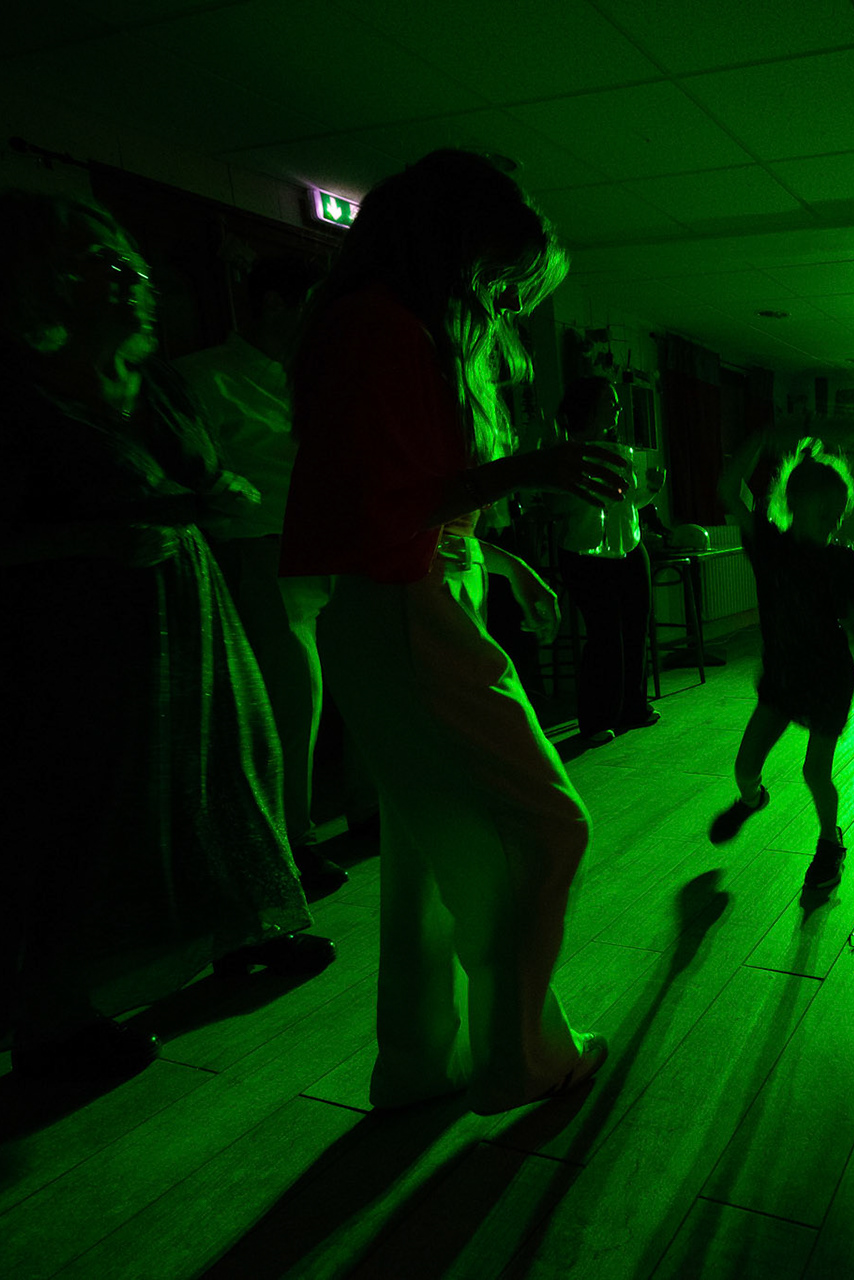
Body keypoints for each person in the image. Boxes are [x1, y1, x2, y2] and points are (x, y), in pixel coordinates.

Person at [0, 192, 333, 1081]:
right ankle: (54, 1020)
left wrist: (220, 495)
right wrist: (89, 538)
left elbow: (203, 480)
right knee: (86, 812)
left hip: (188, 610)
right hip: (74, 635)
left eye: (131, 264)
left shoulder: (152, 382)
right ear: (33, 284)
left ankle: (243, 930)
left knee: (222, 770)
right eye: (102, 266)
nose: (131, 280)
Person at [282, 150, 625, 1114]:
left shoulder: (382, 326)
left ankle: (419, 1064)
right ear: (452, 248)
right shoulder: (384, 329)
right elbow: (383, 512)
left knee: (431, 853)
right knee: (549, 827)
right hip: (406, 609)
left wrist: (503, 561)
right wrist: (526, 472)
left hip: (403, 600)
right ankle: (520, 1057)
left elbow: (399, 501)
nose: (505, 302)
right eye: (501, 277)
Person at [176, 255, 350, 900]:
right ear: (276, 302)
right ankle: (288, 845)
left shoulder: (315, 377)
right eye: (315, 306)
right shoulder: (201, 377)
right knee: (290, 706)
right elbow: (192, 479)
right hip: (265, 554)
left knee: (347, 695)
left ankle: (363, 811)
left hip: (336, 555)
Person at [708, 430, 854, 892]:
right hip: (783, 677)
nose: (832, 522)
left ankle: (830, 841)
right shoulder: (769, 545)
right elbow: (727, 489)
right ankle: (752, 799)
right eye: (825, 511)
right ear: (795, 503)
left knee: (814, 772)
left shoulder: (841, 560)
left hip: (828, 678)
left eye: (838, 514)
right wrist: (760, 436)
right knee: (744, 767)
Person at [551, 375, 663, 744]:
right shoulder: (566, 452)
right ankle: (596, 721)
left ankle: (634, 708)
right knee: (604, 637)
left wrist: (651, 491)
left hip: (629, 548)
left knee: (635, 630)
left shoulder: (620, 450)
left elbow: (626, 506)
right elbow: (560, 506)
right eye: (610, 401)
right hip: (585, 553)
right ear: (589, 406)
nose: (618, 408)